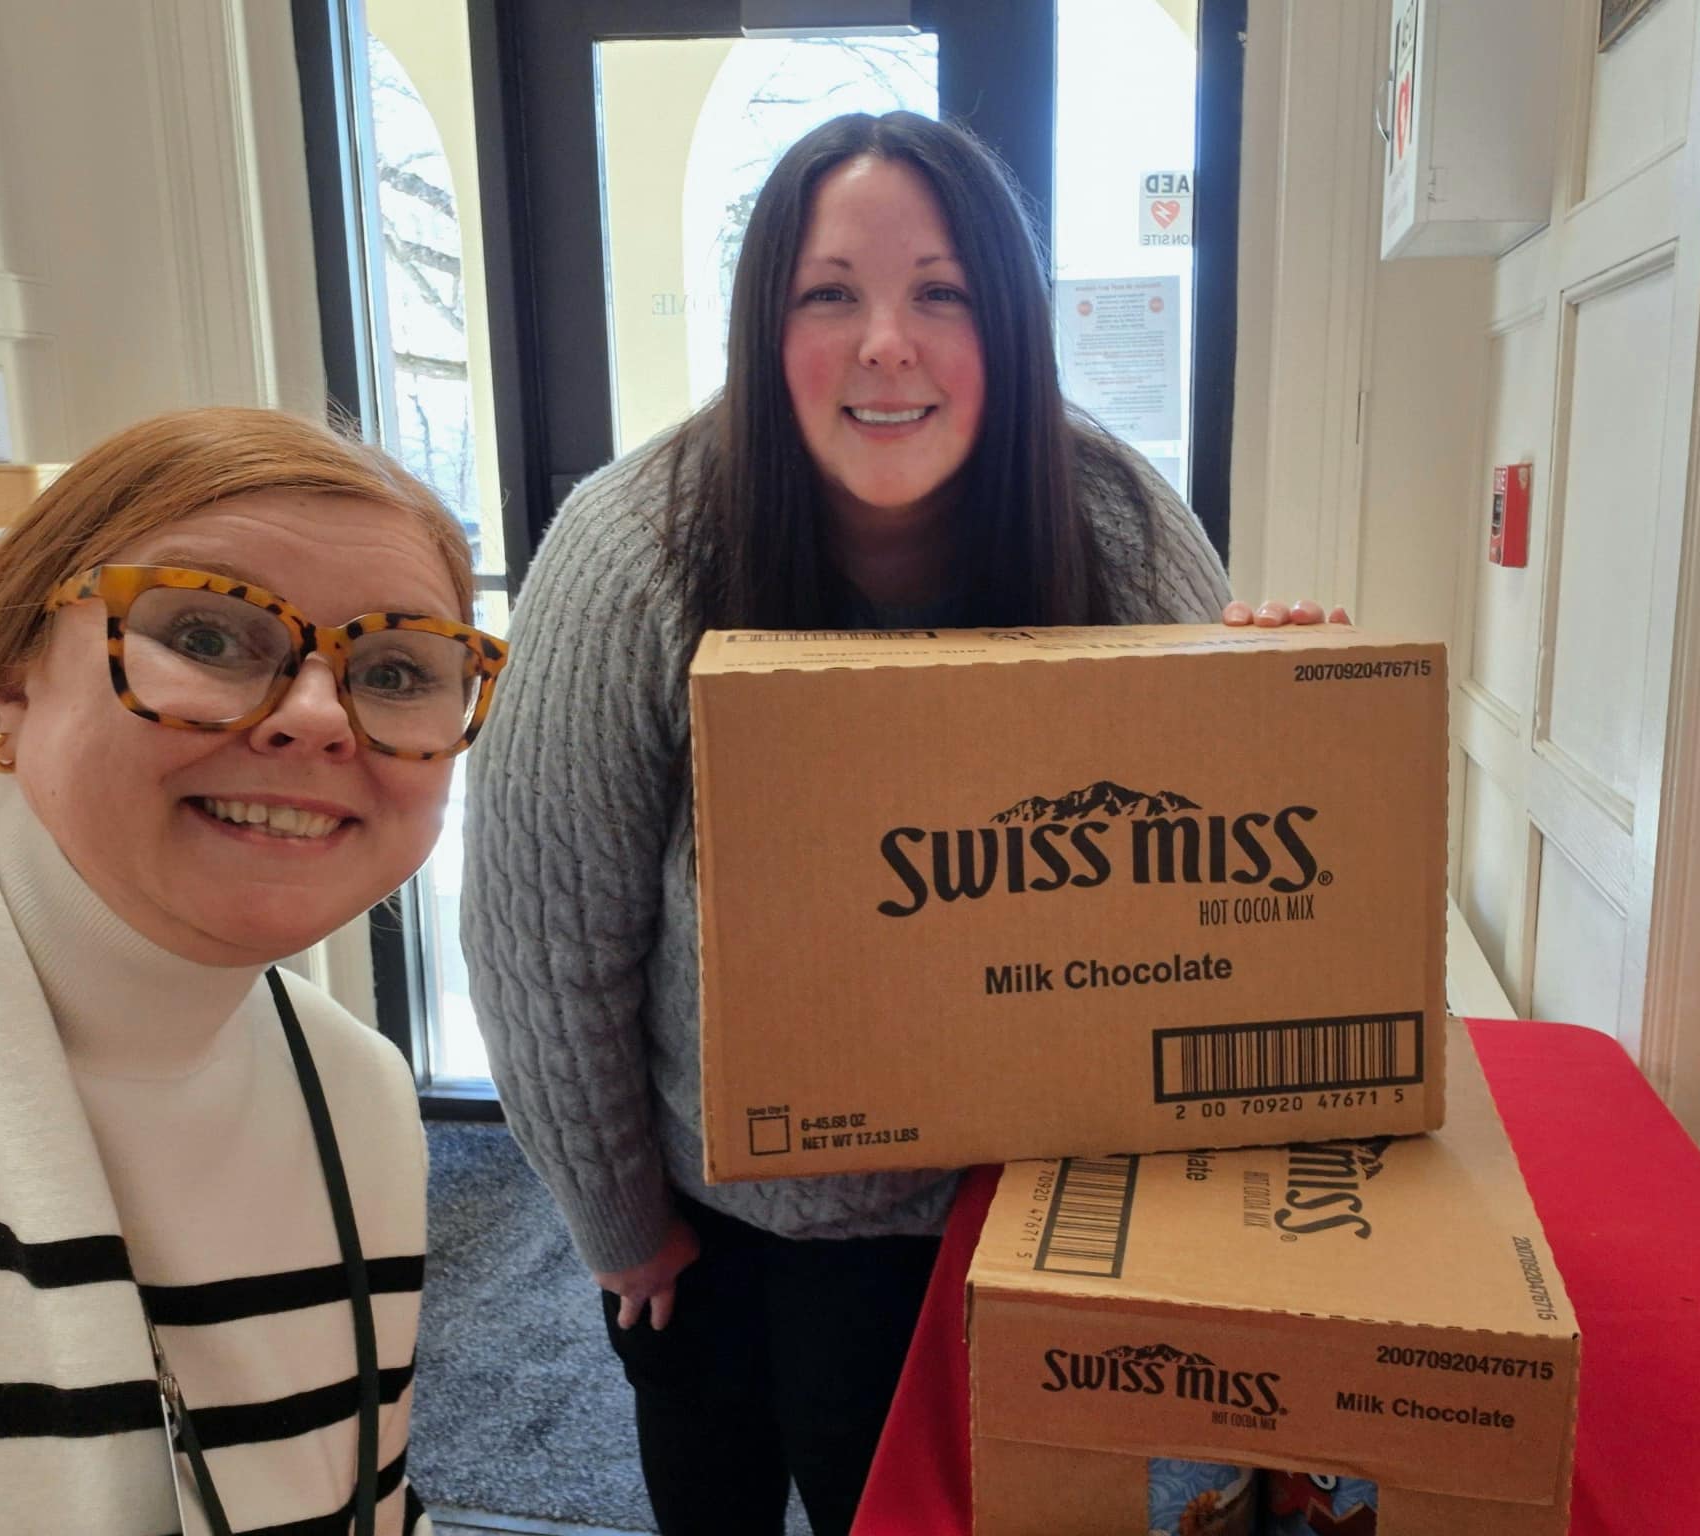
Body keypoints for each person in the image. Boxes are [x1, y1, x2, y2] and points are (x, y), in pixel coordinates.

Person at [461, 110, 1339, 1536]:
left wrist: (1288, 705)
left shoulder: (1112, 517)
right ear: (764, 325)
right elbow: (543, 936)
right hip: (730, 1208)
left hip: (1029, 1200)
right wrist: (618, 1222)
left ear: (1009, 325)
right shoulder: (634, 549)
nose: (886, 344)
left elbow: (1224, 874)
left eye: (942, 292)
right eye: (829, 294)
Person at [0, 407, 508, 1535]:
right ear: (11, 675)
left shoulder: (355, 1096)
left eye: (395, 669)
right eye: (204, 635)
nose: (316, 716)